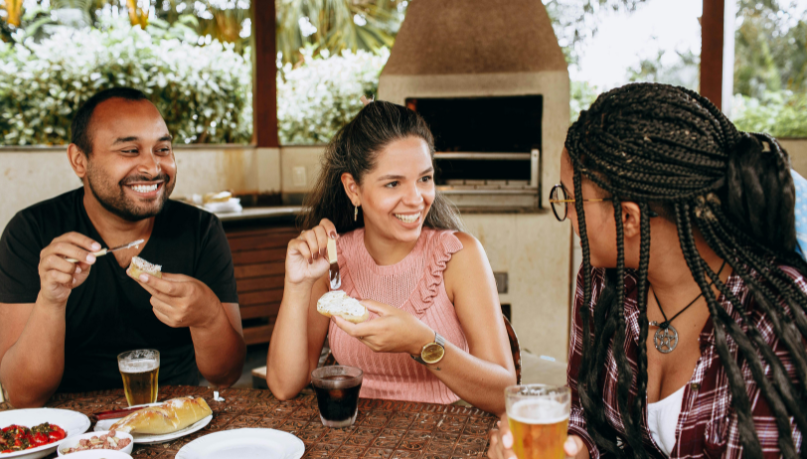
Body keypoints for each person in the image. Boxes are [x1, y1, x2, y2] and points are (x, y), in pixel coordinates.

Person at [489, 83, 805, 458]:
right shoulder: (603, 283)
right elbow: (585, 415)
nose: (567, 213)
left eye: (571, 199)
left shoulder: (771, 321)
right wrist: (571, 448)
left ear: (627, 218)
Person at [0, 88, 246, 407]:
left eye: (162, 149)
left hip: (177, 417)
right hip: (69, 427)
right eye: (129, 151)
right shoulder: (31, 233)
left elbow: (227, 375)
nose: (153, 168)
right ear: (79, 160)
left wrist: (207, 315)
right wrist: (51, 301)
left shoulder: (200, 231)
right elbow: (22, 396)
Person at [266, 101, 516, 415]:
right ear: (353, 189)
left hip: (448, 438)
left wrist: (422, 343)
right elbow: (284, 385)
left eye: (425, 179)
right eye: (394, 183)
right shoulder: (331, 258)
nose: (416, 199)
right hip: (355, 438)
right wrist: (296, 284)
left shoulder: (459, 256)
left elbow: (506, 394)